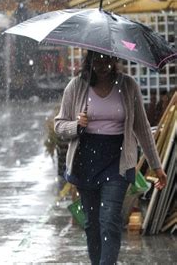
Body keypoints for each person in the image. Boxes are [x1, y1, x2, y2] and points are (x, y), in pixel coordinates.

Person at [54, 50, 167, 265]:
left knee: (109, 220)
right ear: (89, 61)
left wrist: (156, 166)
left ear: (115, 60)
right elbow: (59, 126)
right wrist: (77, 125)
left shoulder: (128, 86)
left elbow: (142, 128)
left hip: (118, 160)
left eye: (107, 59)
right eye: (96, 59)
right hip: (85, 160)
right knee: (92, 224)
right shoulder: (76, 87)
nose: (102, 64)